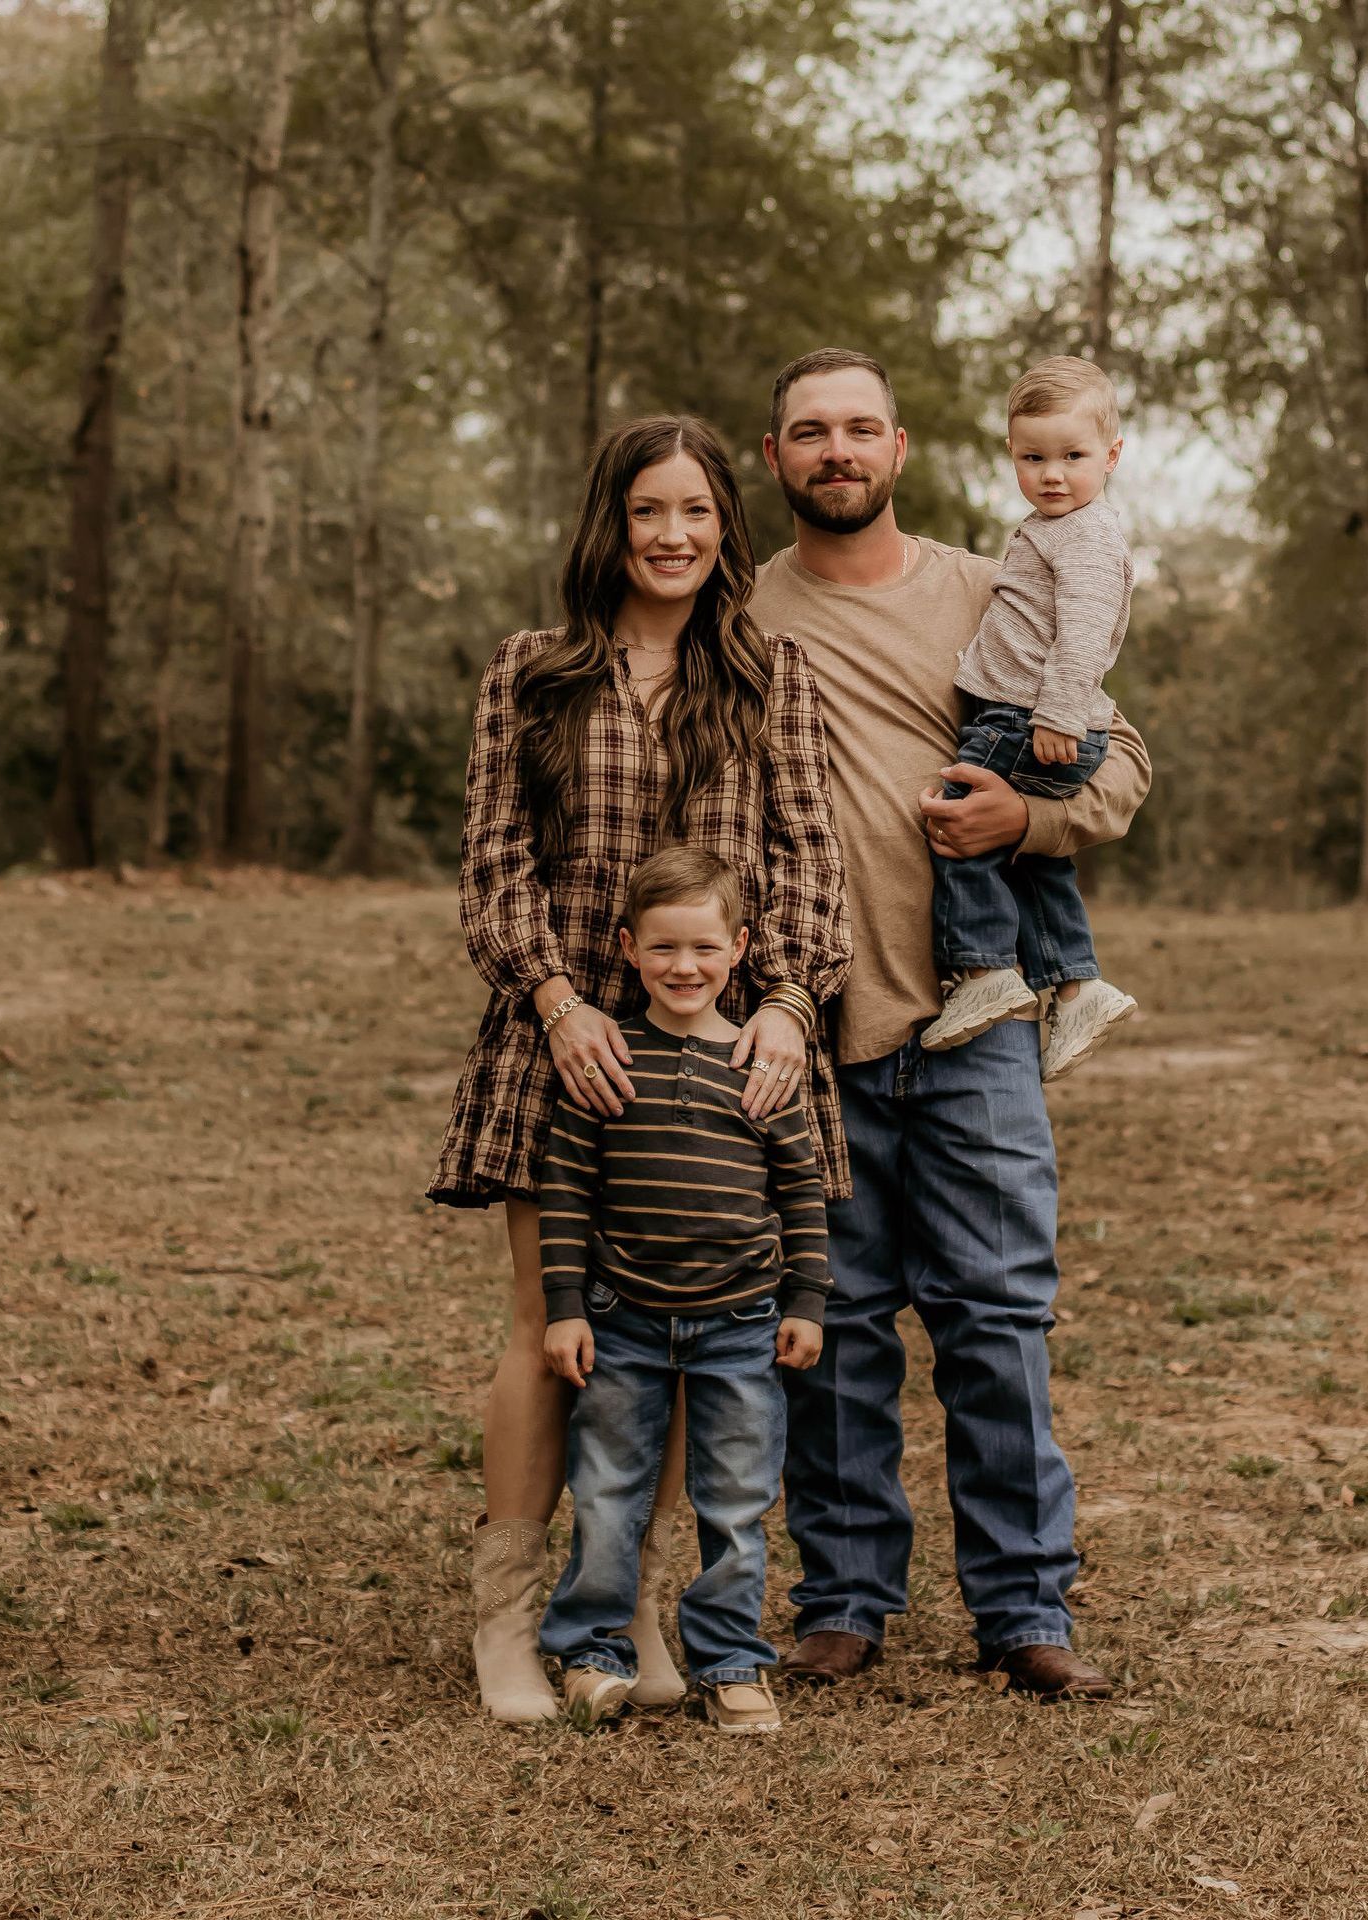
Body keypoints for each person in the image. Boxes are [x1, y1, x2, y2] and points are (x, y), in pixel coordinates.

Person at [427, 416, 851, 1724]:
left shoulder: (771, 675)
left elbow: (810, 866)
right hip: (569, 1052)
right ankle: (509, 1625)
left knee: (689, 1334)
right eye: (647, 511)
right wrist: (556, 1004)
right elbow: (494, 868)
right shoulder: (531, 672)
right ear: (607, 525)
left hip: (728, 1062)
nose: (673, 536)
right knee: (547, 1333)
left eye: (698, 513)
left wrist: (785, 1006)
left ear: (729, 527)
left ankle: (652, 1612)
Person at [749, 347, 1151, 1700]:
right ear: (776, 458)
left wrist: (1025, 818)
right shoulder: (741, 619)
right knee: (838, 1326)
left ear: (902, 448)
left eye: (861, 429)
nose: (838, 451)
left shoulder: (995, 587)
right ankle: (845, 1600)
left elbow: (1123, 762)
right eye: (812, 434)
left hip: (976, 1027)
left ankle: (1026, 1613)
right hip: (815, 1028)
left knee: (995, 1323)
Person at [537, 847, 829, 1735]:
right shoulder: (604, 1058)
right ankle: (592, 1653)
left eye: (704, 948)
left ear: (739, 948)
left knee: (738, 1499)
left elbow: (802, 1193)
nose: (684, 967)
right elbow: (565, 1190)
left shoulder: (761, 1066)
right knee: (607, 1488)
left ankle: (732, 1663)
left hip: (741, 1321)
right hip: (621, 1319)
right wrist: (561, 1311)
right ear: (627, 948)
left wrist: (806, 1303)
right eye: (663, 948)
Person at [923, 356, 1139, 1081]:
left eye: (1073, 457)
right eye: (1032, 457)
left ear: (1110, 456)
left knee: (960, 822)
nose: (1052, 474)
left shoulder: (1086, 536)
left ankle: (982, 970)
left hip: (1027, 719)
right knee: (1034, 859)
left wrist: (1058, 713)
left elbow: (1083, 634)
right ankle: (1077, 985)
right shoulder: (1054, 529)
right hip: (1022, 711)